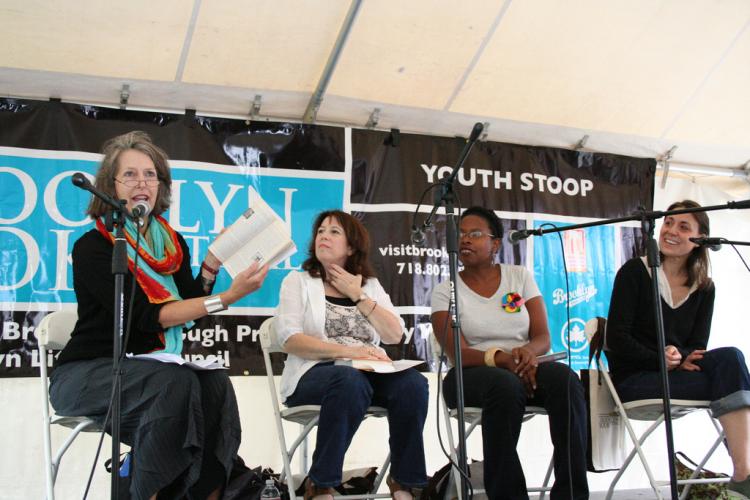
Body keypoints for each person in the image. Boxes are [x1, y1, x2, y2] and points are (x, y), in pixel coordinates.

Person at [50, 131, 269, 500]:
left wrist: (212, 265)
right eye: (131, 175)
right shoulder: (94, 247)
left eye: (150, 175)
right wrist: (227, 298)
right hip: (88, 374)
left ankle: (210, 492)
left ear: (160, 185)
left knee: (213, 384)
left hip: (152, 374)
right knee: (174, 382)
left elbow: (190, 316)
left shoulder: (172, 244)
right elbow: (148, 318)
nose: (142, 183)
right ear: (111, 186)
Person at [431, 206, 589, 500]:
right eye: (461, 234)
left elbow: (542, 337)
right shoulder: (445, 290)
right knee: (504, 384)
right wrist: (501, 359)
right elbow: (459, 354)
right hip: (471, 376)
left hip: (522, 367)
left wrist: (527, 354)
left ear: (495, 243)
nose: (465, 239)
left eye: (475, 234)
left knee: (565, 380)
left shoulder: (519, 277)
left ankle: (572, 494)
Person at [275, 210, 428, 500]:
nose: (323, 236)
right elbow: (290, 340)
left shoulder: (368, 286)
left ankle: (403, 482)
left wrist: (358, 296)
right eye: (321, 231)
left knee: (413, 384)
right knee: (348, 379)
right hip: (315, 375)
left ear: (351, 247)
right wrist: (350, 352)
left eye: (334, 232)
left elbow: (395, 334)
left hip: (367, 375)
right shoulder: (298, 282)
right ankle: (321, 483)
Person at [606, 199, 750, 498]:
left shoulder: (705, 287)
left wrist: (681, 358)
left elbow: (698, 345)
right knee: (731, 380)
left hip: (677, 377)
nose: (671, 230)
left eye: (684, 226)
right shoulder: (635, 272)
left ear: (700, 239)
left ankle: (742, 469)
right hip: (635, 380)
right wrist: (662, 359)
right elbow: (618, 339)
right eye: (668, 223)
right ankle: (744, 474)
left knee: (731, 357)